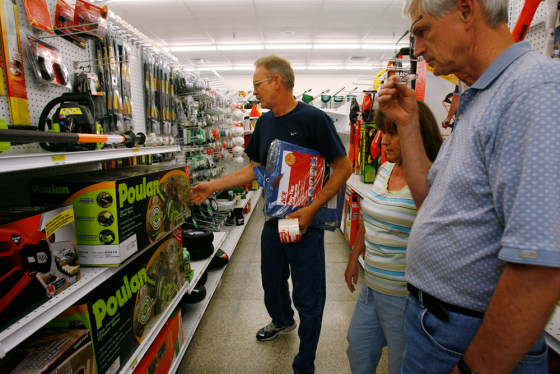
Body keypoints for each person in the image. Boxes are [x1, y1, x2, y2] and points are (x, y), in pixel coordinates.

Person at [376, 0, 560, 372]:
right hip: (440, 327)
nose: (418, 49)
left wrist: (473, 368)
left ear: (465, 9)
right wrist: (409, 125)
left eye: (423, 31)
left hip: (467, 337)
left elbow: (539, 268)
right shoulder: (480, 97)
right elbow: (431, 201)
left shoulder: (534, 90)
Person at [191, 55, 352, 374]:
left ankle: (305, 361)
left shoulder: (314, 119)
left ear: (277, 81)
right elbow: (255, 170)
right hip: (274, 220)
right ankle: (281, 321)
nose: (254, 93)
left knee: (308, 296)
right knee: (272, 281)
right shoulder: (264, 123)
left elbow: (343, 167)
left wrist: (311, 209)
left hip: (304, 223)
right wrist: (212, 185)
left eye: (257, 85)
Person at [344, 100, 442, 374]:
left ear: (416, 132)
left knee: (401, 364)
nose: (382, 141)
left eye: (392, 133)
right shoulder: (386, 168)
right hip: (372, 285)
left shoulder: (430, 177)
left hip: (404, 295)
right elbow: (370, 215)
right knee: (358, 347)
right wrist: (354, 257)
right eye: (382, 132)